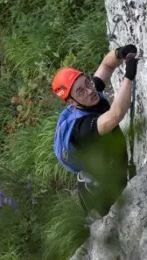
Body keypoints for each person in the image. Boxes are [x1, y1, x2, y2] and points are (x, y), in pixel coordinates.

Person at [51, 44, 137, 216]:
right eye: (81, 91)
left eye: (87, 82)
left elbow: (106, 66)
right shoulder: (81, 128)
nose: (90, 90)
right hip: (101, 195)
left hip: (113, 170)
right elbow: (115, 115)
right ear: (72, 102)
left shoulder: (90, 93)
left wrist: (119, 53)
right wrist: (128, 77)